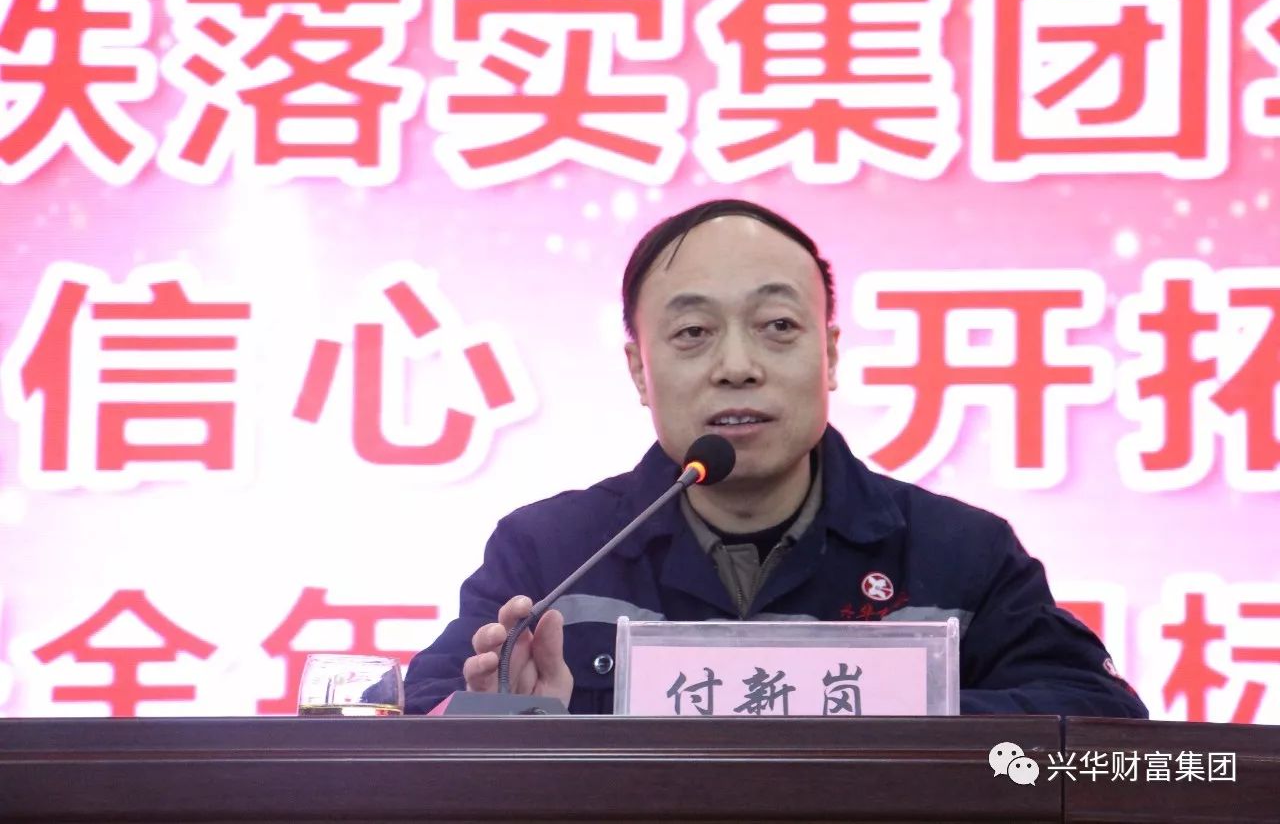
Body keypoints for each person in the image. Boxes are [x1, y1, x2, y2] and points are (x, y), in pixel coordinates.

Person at [403, 198, 1148, 718]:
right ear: (639, 371)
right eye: (693, 333)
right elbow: (420, 717)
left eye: (778, 326)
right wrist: (505, 718)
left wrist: (892, 711)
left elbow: (1100, 725)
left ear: (830, 354)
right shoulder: (552, 553)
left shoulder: (960, 552)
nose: (738, 366)